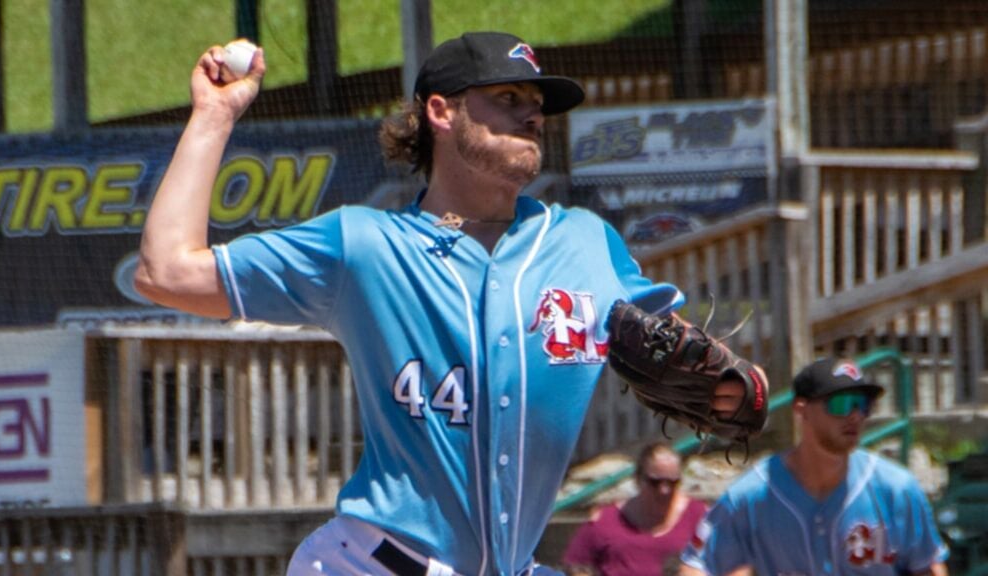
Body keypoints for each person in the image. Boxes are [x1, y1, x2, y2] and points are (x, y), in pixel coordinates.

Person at [134, 30, 755, 576]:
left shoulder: (584, 243)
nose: (532, 116)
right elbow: (165, 272)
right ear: (441, 111)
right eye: (508, 100)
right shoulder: (366, 246)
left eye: (537, 106)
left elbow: (712, 373)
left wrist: (737, 388)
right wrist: (213, 116)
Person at [680, 357, 950, 576]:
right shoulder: (753, 495)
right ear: (802, 410)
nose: (855, 416)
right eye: (841, 404)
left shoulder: (896, 488)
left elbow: (927, 566)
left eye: (863, 405)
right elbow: (695, 565)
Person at [563, 443, 707, 576]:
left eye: (672, 482)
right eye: (655, 482)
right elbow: (576, 565)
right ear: (638, 479)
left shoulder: (699, 517)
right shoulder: (605, 521)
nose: (665, 490)